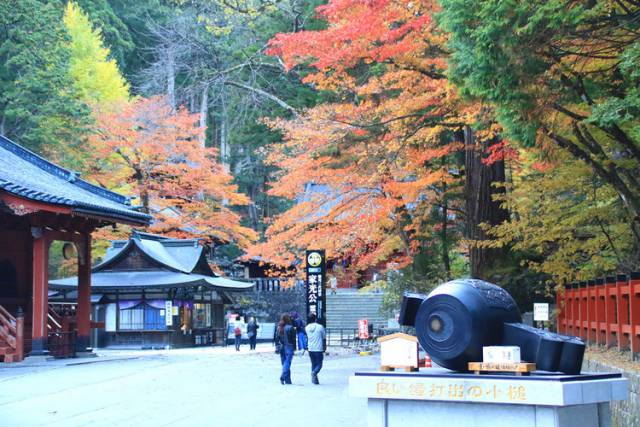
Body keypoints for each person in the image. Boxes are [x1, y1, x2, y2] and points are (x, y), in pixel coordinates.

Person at [305, 314, 326, 384]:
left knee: (313, 363)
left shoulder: (307, 328)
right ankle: (314, 372)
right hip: (318, 348)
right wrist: (324, 347)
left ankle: (315, 380)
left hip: (310, 348)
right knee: (320, 363)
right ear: (315, 319)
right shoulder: (320, 327)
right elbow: (323, 337)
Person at [276, 313, 296, 384]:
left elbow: (276, 339)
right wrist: (295, 348)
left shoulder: (279, 327)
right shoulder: (290, 327)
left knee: (284, 363)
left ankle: (288, 380)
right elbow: (293, 339)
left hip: (281, 347)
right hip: (289, 347)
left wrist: (276, 347)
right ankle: (283, 376)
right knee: (287, 363)